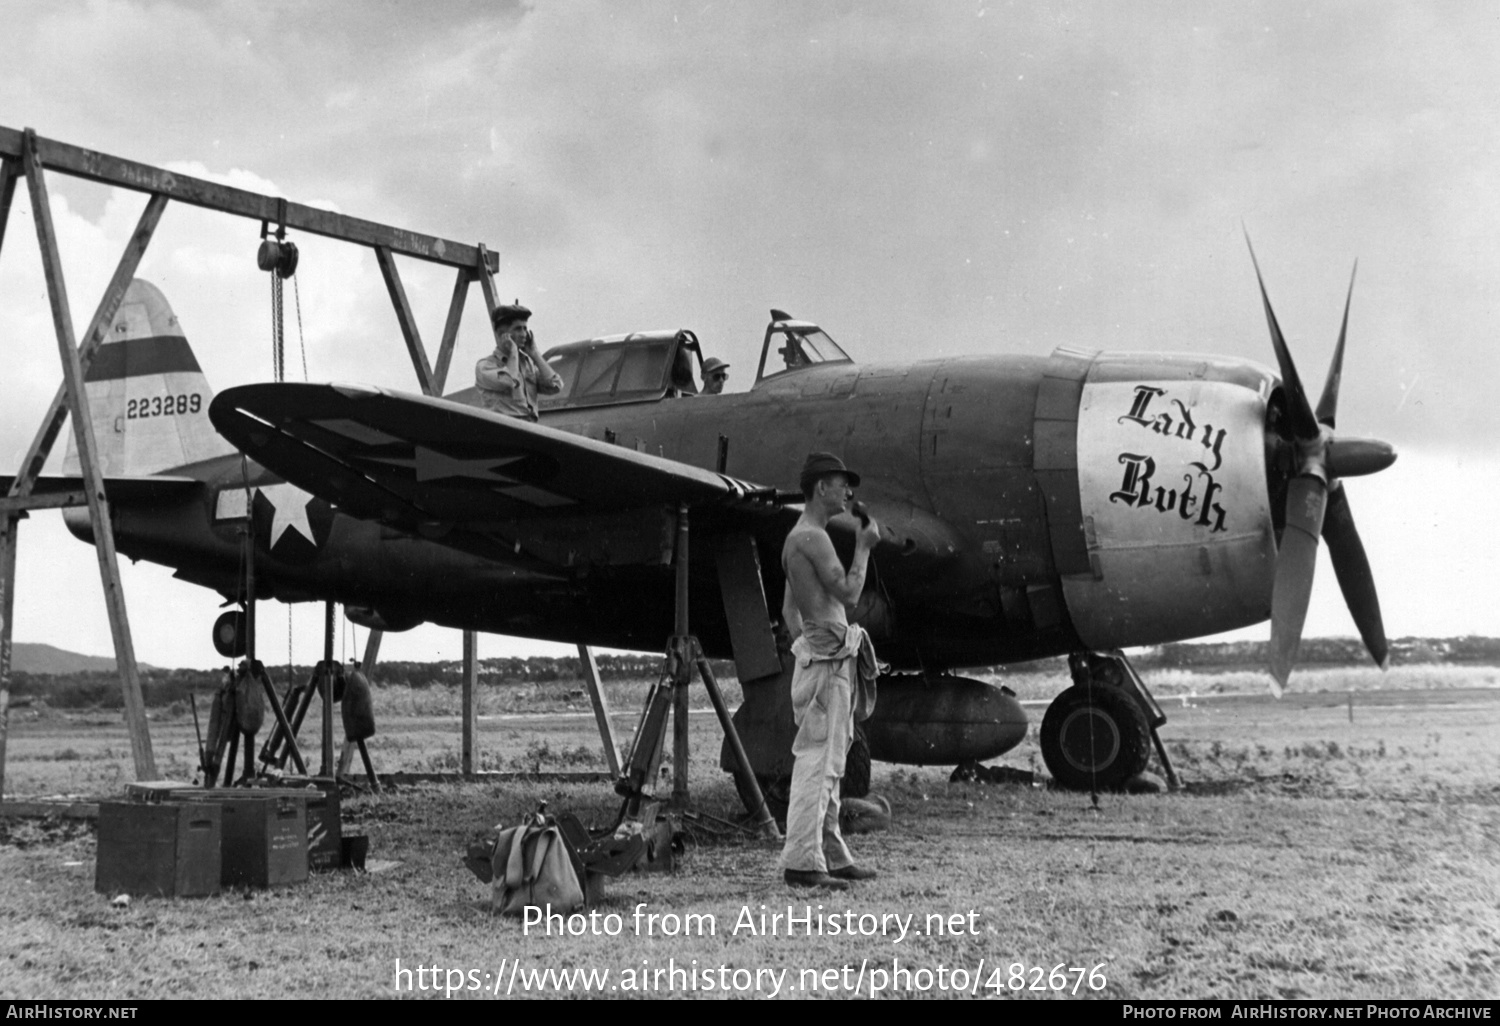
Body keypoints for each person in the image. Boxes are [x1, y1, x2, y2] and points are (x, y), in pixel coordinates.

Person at [778, 452, 881, 890]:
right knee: (820, 763)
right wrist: (864, 545)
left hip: (822, 660)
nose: (848, 493)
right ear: (821, 487)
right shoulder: (815, 538)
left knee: (830, 763)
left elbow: (788, 610)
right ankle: (803, 862)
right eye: (842, 484)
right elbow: (850, 593)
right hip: (828, 664)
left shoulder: (796, 538)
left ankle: (831, 854)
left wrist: (811, 646)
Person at [475, 301, 563, 420]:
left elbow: (555, 386)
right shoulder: (485, 366)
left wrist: (535, 354)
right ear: (502, 334)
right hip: (502, 430)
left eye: (525, 329)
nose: (524, 334)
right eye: (518, 329)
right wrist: (513, 353)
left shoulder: (527, 364)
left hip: (528, 428)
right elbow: (509, 382)